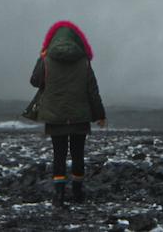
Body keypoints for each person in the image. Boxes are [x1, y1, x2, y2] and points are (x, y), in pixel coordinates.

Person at [29, 20, 106, 207]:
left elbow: (35, 81)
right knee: (78, 154)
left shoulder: (47, 60)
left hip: (55, 116)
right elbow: (92, 91)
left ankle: (59, 194)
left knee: (59, 154)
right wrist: (100, 115)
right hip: (80, 116)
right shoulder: (84, 62)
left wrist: (41, 58)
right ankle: (78, 192)